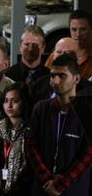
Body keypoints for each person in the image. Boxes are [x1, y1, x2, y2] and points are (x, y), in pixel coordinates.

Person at [25, 53, 92, 195]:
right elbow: (30, 146)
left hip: (73, 188)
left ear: (76, 79)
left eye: (62, 76)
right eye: (52, 75)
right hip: (43, 187)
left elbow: (88, 153)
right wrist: (46, 179)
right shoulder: (40, 108)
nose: (55, 81)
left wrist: (61, 184)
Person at [0, 82, 32, 196]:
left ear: (24, 102)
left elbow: (30, 168)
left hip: (21, 191)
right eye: (6, 100)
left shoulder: (30, 129)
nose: (9, 105)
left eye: (15, 101)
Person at [31, 37, 92, 104]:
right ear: (53, 56)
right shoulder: (39, 85)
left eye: (69, 53)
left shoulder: (88, 91)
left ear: (79, 58)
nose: (62, 56)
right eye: (59, 52)